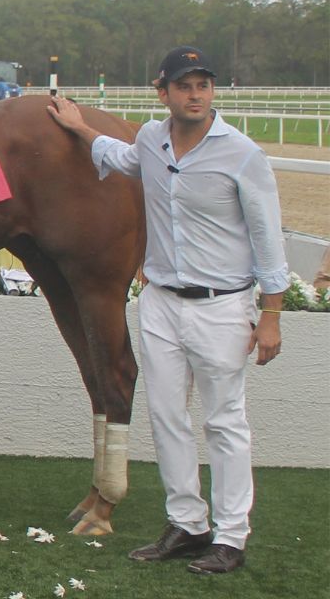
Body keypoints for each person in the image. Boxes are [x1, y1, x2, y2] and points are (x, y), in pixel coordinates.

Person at [47, 46, 287, 576]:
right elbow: (117, 156)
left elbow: (268, 238)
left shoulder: (242, 154)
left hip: (222, 305)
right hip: (160, 303)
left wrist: (271, 314)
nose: (196, 95)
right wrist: (78, 126)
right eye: (184, 86)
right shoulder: (151, 140)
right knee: (167, 417)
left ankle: (231, 535)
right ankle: (186, 524)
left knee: (224, 422)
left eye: (203, 85)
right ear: (163, 93)